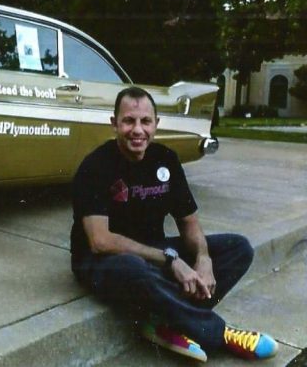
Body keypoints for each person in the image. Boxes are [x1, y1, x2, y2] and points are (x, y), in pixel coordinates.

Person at [69, 86, 278, 362]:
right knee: (134, 268)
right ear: (114, 124)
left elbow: (189, 222)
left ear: (156, 124)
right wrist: (171, 261)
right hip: (102, 261)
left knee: (237, 248)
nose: (137, 130)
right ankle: (218, 333)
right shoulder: (96, 166)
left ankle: (162, 320)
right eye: (129, 121)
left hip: (154, 254)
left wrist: (203, 259)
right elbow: (101, 241)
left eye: (145, 121)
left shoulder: (165, 159)